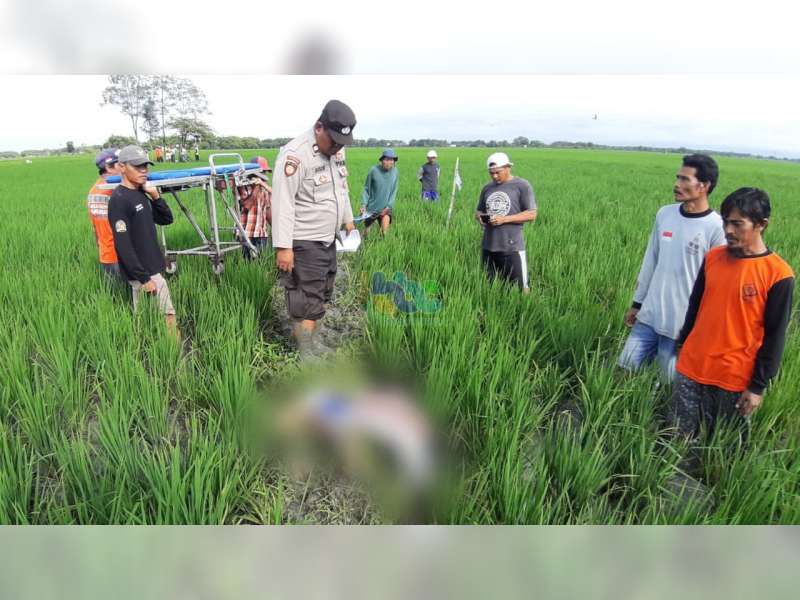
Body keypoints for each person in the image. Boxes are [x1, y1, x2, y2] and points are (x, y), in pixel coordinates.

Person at [668, 187, 794, 446]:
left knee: (724, 448)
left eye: (737, 224)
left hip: (733, 378)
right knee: (679, 438)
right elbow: (695, 305)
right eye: (725, 221)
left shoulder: (778, 274)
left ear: (761, 224)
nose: (728, 230)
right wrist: (682, 343)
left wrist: (757, 387)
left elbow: (775, 336)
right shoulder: (713, 258)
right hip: (692, 367)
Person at [618, 154, 725, 382]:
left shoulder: (716, 227)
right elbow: (651, 261)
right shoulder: (665, 214)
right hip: (649, 316)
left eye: (685, 179)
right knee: (624, 371)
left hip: (681, 325)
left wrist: (700, 329)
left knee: (667, 386)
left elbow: (716, 286)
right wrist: (637, 303)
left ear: (703, 186)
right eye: (677, 177)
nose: (677, 184)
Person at [271, 99, 357, 358]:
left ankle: (308, 343)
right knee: (308, 303)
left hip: (328, 239)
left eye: (342, 142)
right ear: (319, 127)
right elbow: (282, 204)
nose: (338, 147)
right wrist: (284, 248)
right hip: (304, 241)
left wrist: (348, 218)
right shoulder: (295, 155)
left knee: (320, 298)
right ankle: (305, 355)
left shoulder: (336, 150)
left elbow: (341, 189)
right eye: (333, 141)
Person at [108, 145, 179, 338]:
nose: (144, 170)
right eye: (137, 166)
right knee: (168, 317)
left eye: (145, 166)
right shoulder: (119, 200)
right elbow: (122, 245)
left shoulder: (141, 193)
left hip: (151, 269)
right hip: (145, 273)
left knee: (145, 318)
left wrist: (156, 197)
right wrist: (144, 278)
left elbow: (166, 220)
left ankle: (147, 352)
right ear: (122, 167)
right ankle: (177, 358)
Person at [474, 152, 537, 292]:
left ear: (508, 167)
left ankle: (526, 310)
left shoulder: (522, 185)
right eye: (491, 173)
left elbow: (532, 214)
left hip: (511, 247)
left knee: (521, 288)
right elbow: (478, 211)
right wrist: (481, 217)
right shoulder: (487, 188)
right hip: (488, 246)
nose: (495, 176)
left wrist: (504, 219)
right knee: (491, 286)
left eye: (498, 172)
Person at [87, 149, 124, 283]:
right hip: (122, 253)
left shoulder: (94, 189)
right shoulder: (115, 189)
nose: (124, 168)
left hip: (106, 253)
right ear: (109, 167)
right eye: (121, 164)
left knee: (118, 296)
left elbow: (95, 228)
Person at [239, 155, 273, 261]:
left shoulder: (263, 187)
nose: (265, 175)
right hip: (247, 233)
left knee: (262, 262)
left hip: (261, 232)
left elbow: (267, 209)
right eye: (263, 172)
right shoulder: (242, 186)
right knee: (248, 262)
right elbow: (247, 205)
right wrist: (257, 186)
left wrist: (275, 228)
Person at [360, 148, 399, 237]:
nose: (390, 162)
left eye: (392, 160)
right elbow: (366, 189)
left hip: (386, 208)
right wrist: (363, 204)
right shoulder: (373, 170)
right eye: (387, 159)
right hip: (372, 208)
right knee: (367, 234)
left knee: (384, 232)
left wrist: (389, 206)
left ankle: (383, 244)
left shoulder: (395, 172)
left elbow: (394, 191)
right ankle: (362, 243)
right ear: (382, 160)